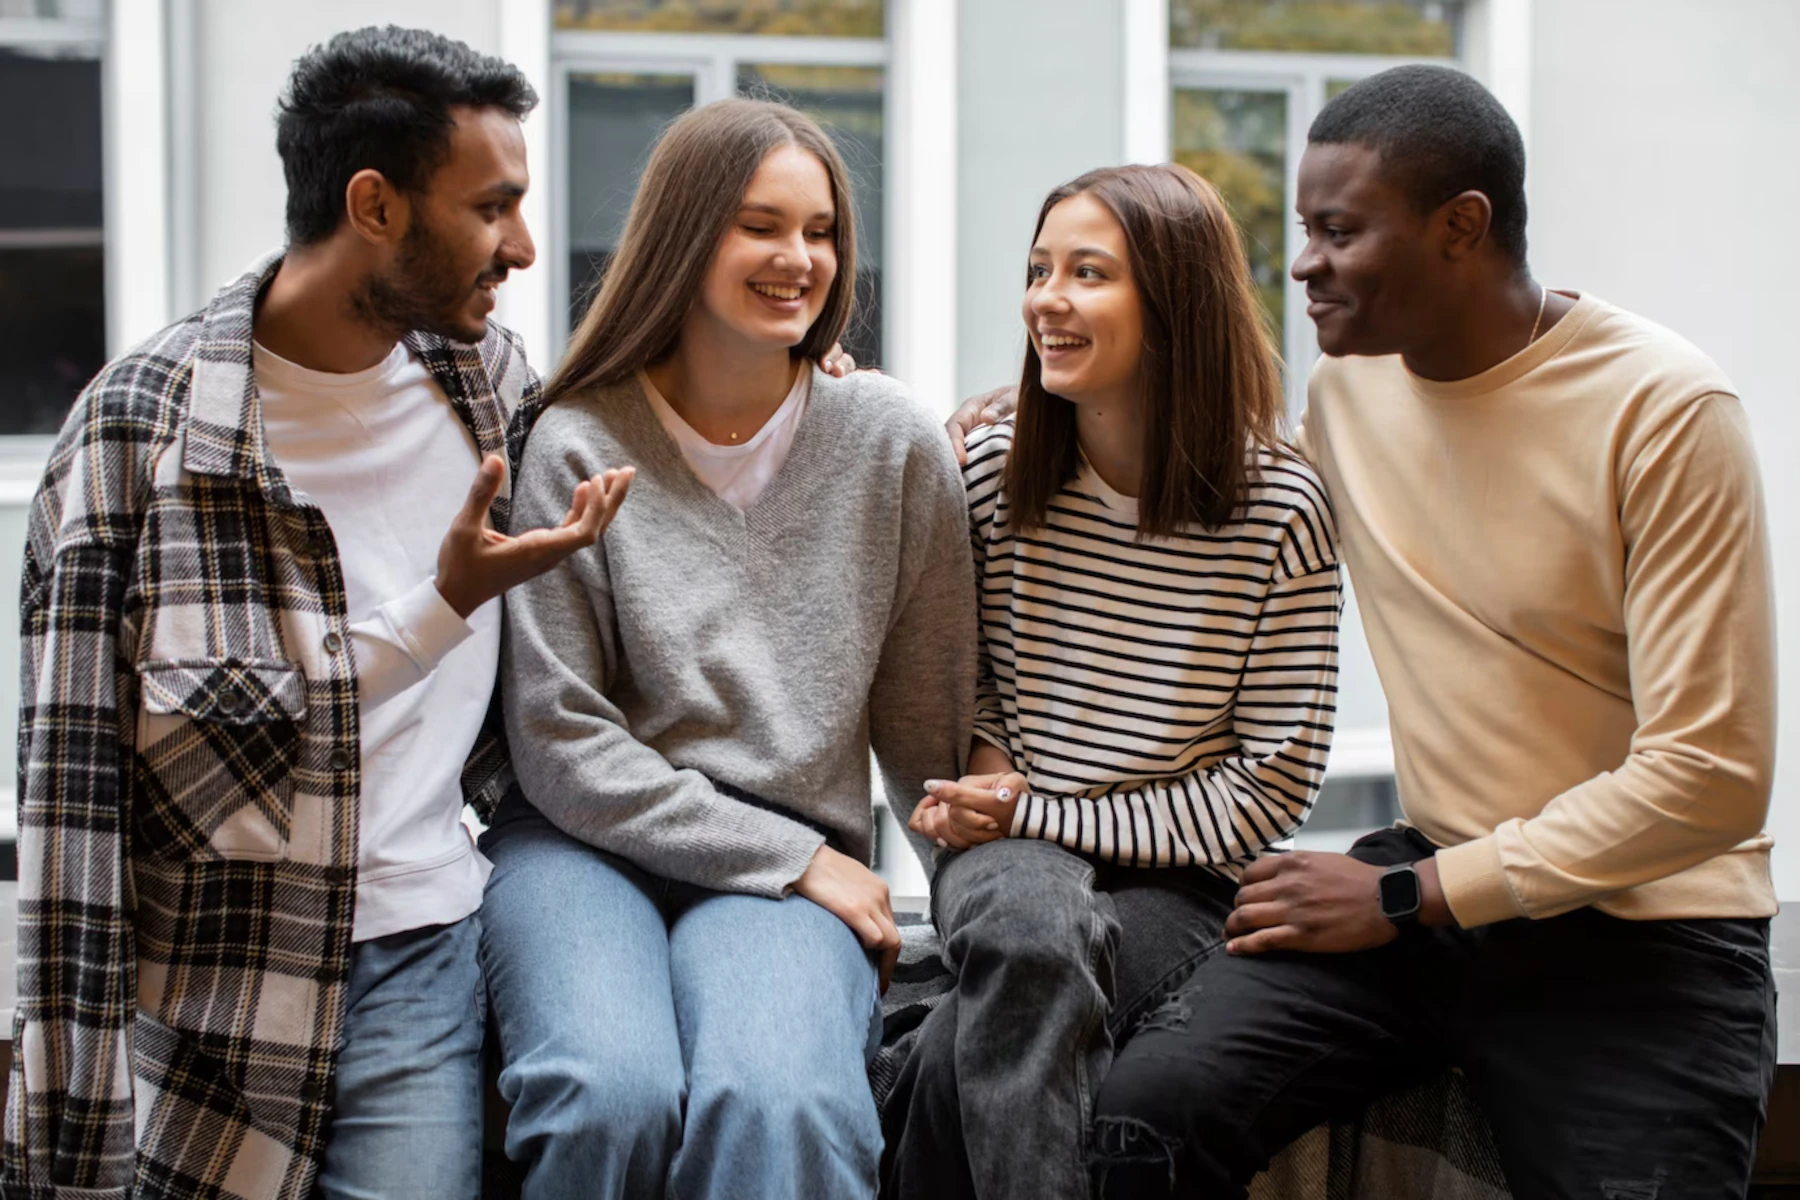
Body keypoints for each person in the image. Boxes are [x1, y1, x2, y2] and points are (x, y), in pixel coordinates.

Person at [953, 64, 1779, 1200]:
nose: (1302, 266)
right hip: (1431, 889)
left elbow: (1712, 781)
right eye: (1303, 229)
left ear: (1461, 229)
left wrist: (1405, 897)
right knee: (1143, 1119)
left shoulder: (1666, 412)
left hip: (1641, 940)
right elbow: (1196, 444)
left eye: (1339, 232)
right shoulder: (1346, 398)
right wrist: (1027, 394)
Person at [0, 27, 638, 1200]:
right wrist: (68, 1143)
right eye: (492, 207)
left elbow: (652, 448)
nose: (525, 246)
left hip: (422, 952)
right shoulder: (138, 438)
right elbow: (70, 815)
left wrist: (814, 379)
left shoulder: (487, 381)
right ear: (374, 204)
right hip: (211, 1003)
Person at [478, 97, 976, 1200]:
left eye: (821, 230)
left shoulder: (888, 440)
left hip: (787, 859)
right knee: (608, 1092)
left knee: (781, 1102)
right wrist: (799, 862)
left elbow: (930, 724)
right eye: (761, 225)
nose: (798, 258)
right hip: (580, 846)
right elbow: (559, 742)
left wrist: (978, 916)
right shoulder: (578, 440)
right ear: (685, 234)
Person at [881, 164, 1341, 1200]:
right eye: (1040, 269)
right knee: (1032, 935)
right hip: (1009, 846)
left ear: (1175, 304)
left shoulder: (1281, 510)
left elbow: (1268, 789)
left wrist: (1045, 809)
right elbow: (975, 683)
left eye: (1088, 273)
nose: (1047, 298)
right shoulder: (995, 470)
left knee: (971, 1033)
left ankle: (907, 1050)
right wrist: (1012, 799)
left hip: (1178, 883)